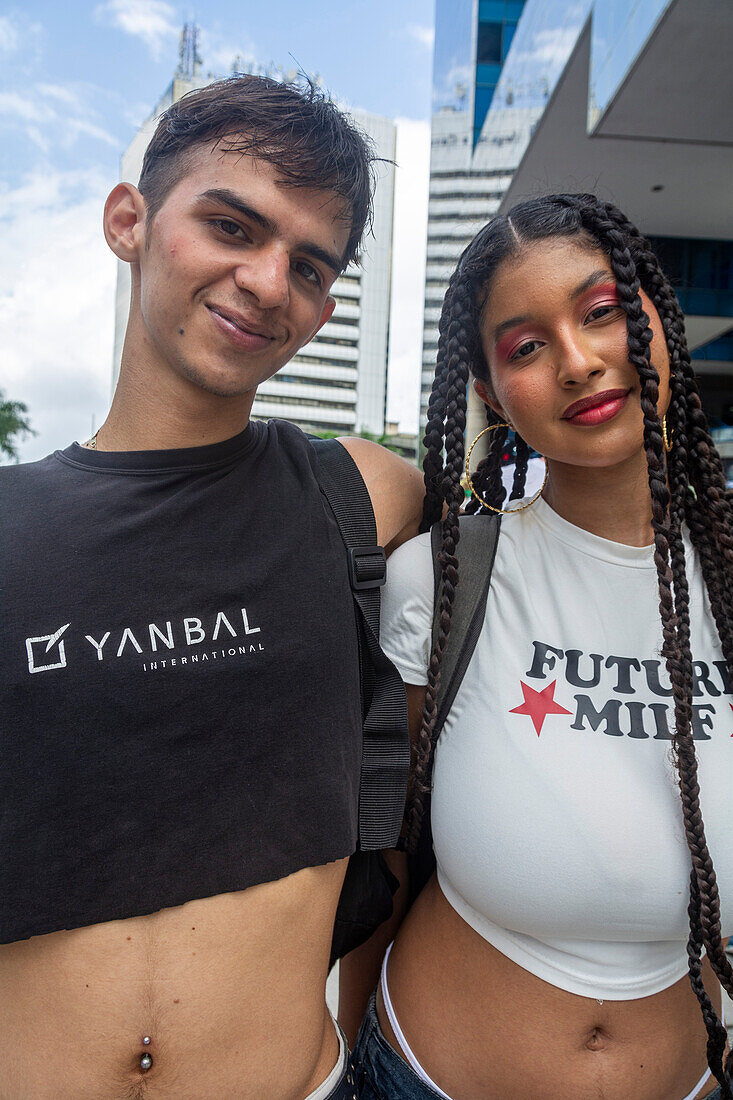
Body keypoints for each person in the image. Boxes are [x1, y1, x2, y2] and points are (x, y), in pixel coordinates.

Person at [0, 75, 424, 1099]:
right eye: (231, 224)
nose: (268, 281)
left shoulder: (362, 492)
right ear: (129, 222)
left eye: (310, 267)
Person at [352, 194, 733, 1100]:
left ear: (653, 316)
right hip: (421, 1080)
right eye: (525, 346)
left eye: (601, 311)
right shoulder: (440, 581)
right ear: (488, 390)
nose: (577, 361)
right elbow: (388, 848)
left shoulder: (724, 585)